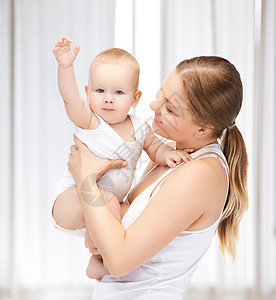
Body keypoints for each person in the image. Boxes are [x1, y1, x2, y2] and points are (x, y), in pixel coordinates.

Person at [64, 55, 249, 299]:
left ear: (202, 129)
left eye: (170, 108)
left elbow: (119, 261)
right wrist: (102, 232)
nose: (153, 106)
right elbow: (121, 236)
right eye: (161, 94)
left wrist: (86, 179)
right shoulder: (169, 152)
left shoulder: (200, 173)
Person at [51, 37, 191, 279]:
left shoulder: (140, 128)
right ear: (88, 93)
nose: (108, 98)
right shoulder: (91, 122)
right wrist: (65, 67)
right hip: (71, 200)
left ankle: (97, 256)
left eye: (118, 92)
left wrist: (170, 154)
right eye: (100, 90)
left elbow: (156, 149)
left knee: (131, 213)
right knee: (107, 201)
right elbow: (70, 99)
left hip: (106, 206)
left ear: (135, 98)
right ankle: (100, 253)